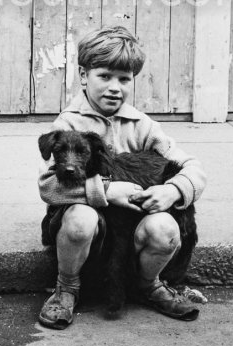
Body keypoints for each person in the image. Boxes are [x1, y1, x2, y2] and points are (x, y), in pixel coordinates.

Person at [38, 25, 206, 328]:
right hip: (90, 234)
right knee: (80, 219)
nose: (115, 87)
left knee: (165, 226)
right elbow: (49, 186)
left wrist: (173, 190)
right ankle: (67, 288)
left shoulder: (142, 126)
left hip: (130, 229)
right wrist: (106, 190)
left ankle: (148, 284)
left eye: (124, 79)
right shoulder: (67, 124)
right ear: (84, 75)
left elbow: (193, 168)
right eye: (104, 76)